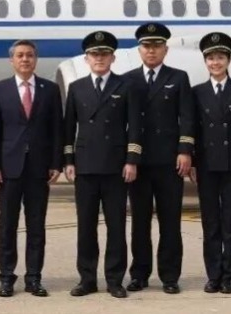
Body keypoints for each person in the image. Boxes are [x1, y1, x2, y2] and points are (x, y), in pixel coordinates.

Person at [64, 30, 141, 299]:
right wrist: (68, 160)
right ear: (86, 58)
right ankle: (87, 279)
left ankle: (115, 279)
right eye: (94, 54)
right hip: (85, 166)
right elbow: (68, 128)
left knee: (116, 226)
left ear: (112, 58)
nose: (99, 58)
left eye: (104, 54)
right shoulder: (77, 88)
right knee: (86, 227)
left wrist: (132, 160)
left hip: (116, 166)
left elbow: (135, 127)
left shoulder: (125, 86)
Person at [0, 40, 63, 298]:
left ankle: (34, 278)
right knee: (7, 226)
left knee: (36, 227)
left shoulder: (50, 90)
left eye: (30, 55)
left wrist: (56, 163)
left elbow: (57, 129)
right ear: (12, 60)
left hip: (39, 169)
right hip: (9, 169)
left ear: (36, 59)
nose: (25, 59)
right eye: (20, 55)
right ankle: (7, 277)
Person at [124, 22, 194, 294]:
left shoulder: (178, 78)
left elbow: (186, 117)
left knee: (170, 221)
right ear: (139, 50)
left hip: (169, 161)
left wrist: (185, 150)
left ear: (165, 49)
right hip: (139, 162)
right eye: (146, 46)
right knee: (139, 222)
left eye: (156, 46)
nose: (151, 51)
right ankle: (139, 274)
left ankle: (170, 276)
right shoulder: (128, 79)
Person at [190, 33, 231, 294]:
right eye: (211, 58)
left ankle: (228, 275)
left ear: (228, 60)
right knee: (210, 223)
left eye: (220, 57)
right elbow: (192, 129)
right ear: (205, 62)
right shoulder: (197, 92)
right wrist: (193, 162)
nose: (215, 62)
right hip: (206, 165)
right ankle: (213, 275)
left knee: (230, 222)